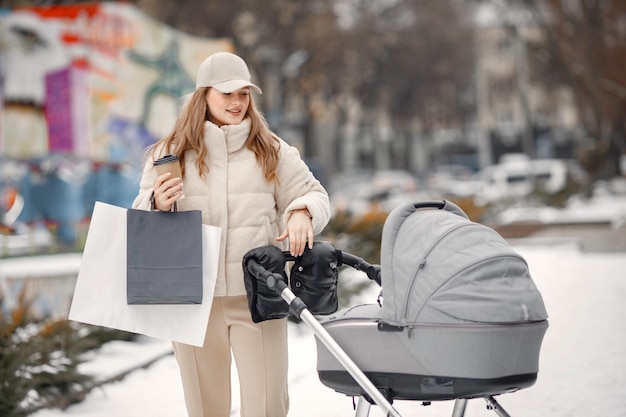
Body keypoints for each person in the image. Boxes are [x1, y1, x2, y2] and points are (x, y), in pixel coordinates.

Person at [132, 51, 331, 417]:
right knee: (206, 408)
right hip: (192, 299)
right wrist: (156, 202)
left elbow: (315, 194)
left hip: (259, 296)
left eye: (243, 94)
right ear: (203, 94)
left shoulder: (271, 149)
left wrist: (302, 211)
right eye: (227, 94)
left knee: (267, 406)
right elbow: (141, 219)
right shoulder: (169, 153)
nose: (237, 102)